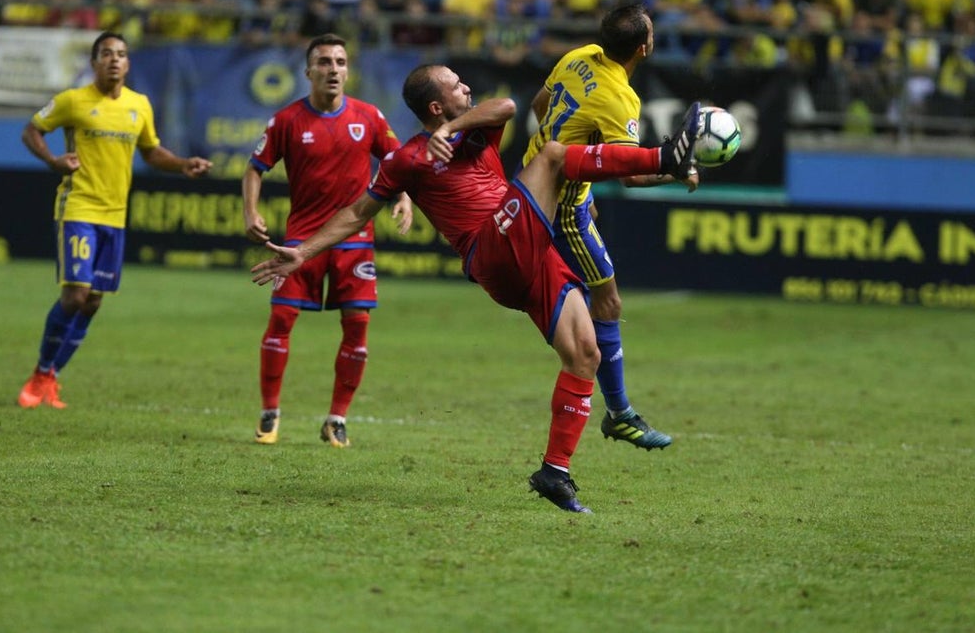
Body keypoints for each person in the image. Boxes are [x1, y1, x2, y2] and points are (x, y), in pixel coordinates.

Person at [251, 63, 700, 512]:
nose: (467, 86)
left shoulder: (475, 129)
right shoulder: (407, 159)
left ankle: (555, 471)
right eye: (456, 85)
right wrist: (303, 252)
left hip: (526, 249)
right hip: (492, 247)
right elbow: (357, 213)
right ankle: (665, 157)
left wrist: (452, 128)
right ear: (435, 105)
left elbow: (504, 105)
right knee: (553, 157)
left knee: (584, 354)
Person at [522, 3, 690, 456]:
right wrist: (675, 171)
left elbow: (541, 106)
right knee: (608, 300)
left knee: (584, 301)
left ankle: (613, 406)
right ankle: (619, 415)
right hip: (562, 209)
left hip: (529, 185)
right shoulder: (621, 98)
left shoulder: (578, 55)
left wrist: (566, 169)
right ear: (644, 47)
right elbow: (631, 175)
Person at [17, 31, 213, 409]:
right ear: (94, 63)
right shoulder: (73, 101)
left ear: (128, 63)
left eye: (121, 54)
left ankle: (52, 378)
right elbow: (32, 130)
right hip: (79, 207)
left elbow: (152, 153)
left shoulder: (139, 105)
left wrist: (183, 164)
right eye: (106, 54)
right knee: (74, 295)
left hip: (115, 215)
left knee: (92, 302)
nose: (114, 60)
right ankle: (41, 371)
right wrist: (53, 161)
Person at [242, 33, 413, 449]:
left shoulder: (368, 116)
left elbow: (397, 161)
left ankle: (337, 419)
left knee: (357, 328)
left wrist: (404, 196)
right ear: (308, 72)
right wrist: (251, 211)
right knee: (281, 321)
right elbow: (254, 168)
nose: (333, 69)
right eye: (324, 62)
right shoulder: (286, 121)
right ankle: (270, 412)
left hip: (355, 240)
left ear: (347, 70)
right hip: (300, 241)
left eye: (339, 61)